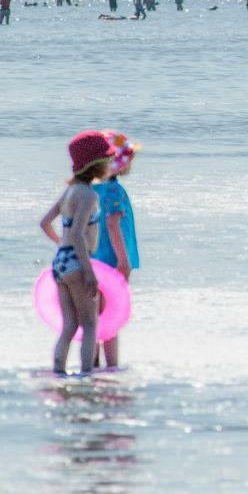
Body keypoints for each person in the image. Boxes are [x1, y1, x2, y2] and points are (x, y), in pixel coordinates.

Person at [38, 131, 114, 376]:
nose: (110, 164)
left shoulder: (70, 192)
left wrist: (63, 244)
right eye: (107, 160)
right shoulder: (90, 195)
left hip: (60, 261)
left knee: (69, 325)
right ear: (96, 165)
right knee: (91, 323)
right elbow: (81, 234)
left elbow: (45, 223)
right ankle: (85, 375)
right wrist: (89, 271)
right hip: (78, 262)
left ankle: (58, 371)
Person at [91, 131, 141, 369]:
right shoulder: (114, 191)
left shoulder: (90, 189)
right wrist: (123, 260)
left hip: (92, 258)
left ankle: (91, 365)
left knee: (94, 316)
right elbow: (112, 224)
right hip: (112, 260)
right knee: (110, 317)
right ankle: (111, 367)